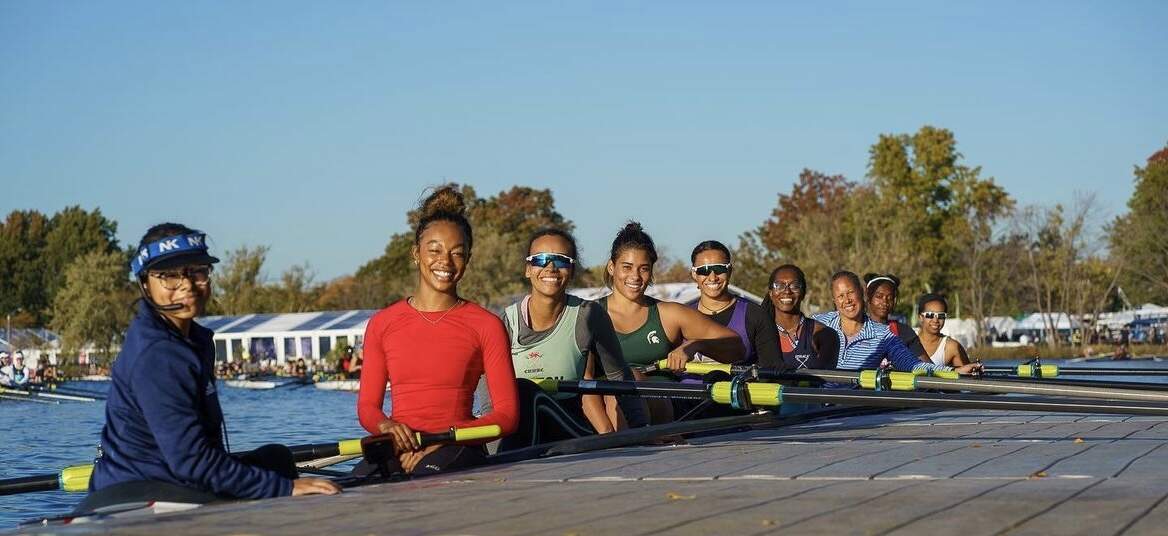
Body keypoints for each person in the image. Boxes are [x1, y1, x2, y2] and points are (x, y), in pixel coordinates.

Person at [83, 223, 339, 513]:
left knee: (276, 458)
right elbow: (192, 461)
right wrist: (283, 488)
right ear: (145, 284)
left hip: (169, 479)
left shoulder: (191, 340)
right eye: (169, 276)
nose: (187, 285)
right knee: (278, 473)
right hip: (137, 495)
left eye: (197, 272)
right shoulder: (158, 355)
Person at [357, 187, 518, 476]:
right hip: (398, 444)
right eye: (434, 250)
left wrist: (443, 439)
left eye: (457, 253)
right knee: (354, 487)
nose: (445, 261)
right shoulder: (382, 324)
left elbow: (507, 416)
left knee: (425, 479)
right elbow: (368, 407)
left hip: (459, 446)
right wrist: (387, 426)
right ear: (416, 254)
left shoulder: (486, 325)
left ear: (467, 260)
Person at [499, 228, 647, 449]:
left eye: (560, 261)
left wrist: (644, 431)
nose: (550, 267)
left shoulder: (589, 315)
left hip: (570, 428)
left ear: (571, 270)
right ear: (528, 269)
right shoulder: (506, 322)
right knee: (523, 395)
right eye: (541, 260)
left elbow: (619, 377)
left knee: (525, 391)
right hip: (521, 430)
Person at [599, 222, 744, 423]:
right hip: (606, 407)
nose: (635, 276)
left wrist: (696, 344)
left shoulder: (669, 314)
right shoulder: (589, 314)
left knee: (629, 376)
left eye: (644, 269)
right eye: (627, 267)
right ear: (611, 267)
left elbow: (736, 347)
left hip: (663, 408)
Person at [813, 271, 981, 374]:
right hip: (813, 409)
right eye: (841, 296)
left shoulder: (884, 335)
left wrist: (955, 371)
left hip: (852, 410)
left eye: (850, 293)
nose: (847, 300)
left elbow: (915, 366)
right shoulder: (816, 323)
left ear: (862, 295)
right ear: (834, 301)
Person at [687, 241, 780, 366]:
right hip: (689, 386)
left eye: (719, 269)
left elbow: (772, 370)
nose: (712, 277)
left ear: (730, 271)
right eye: (704, 270)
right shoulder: (681, 315)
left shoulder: (755, 315)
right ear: (694, 274)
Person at [759, 264, 838, 371]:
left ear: (803, 293)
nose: (787, 291)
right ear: (771, 293)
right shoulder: (756, 333)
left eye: (794, 286)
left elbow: (826, 382)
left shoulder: (825, 335)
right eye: (779, 285)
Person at [863, 273, 927, 360]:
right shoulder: (856, 327)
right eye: (879, 296)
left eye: (890, 298)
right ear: (869, 298)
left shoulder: (904, 331)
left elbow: (926, 365)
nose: (885, 302)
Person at [915, 294, 970, 367]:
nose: (935, 320)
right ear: (920, 317)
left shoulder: (951, 347)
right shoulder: (907, 338)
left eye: (941, 316)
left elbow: (966, 375)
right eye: (930, 315)